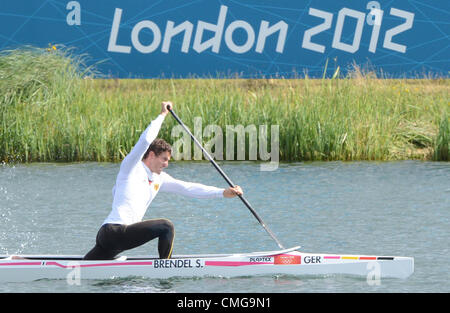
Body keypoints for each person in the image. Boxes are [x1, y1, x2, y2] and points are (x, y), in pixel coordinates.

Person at [83, 101, 243, 260]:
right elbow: (145, 141)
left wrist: (223, 192)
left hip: (115, 240)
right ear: (151, 155)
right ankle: (166, 266)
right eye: (164, 159)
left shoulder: (159, 178)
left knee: (82, 268)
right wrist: (162, 115)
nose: (166, 164)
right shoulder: (131, 168)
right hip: (114, 231)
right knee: (166, 226)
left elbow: (188, 188)